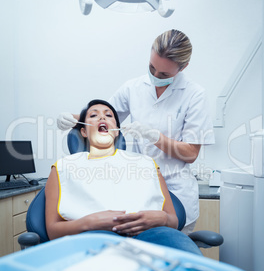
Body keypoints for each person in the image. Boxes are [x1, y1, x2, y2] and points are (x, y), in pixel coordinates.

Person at [57, 30, 215, 234]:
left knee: (168, 248)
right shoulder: (133, 88)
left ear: (183, 67)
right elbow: (104, 116)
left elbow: (191, 153)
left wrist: (154, 137)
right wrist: (74, 118)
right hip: (140, 188)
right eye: (152, 68)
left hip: (176, 190)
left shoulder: (195, 95)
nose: (156, 76)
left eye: (164, 74)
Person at [48, 99, 201, 255]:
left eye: (109, 115)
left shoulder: (146, 163)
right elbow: (53, 231)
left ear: (116, 130)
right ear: (84, 131)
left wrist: (163, 219)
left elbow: (173, 221)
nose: (102, 118)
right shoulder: (63, 167)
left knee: (190, 270)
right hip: (96, 235)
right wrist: (87, 223)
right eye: (94, 115)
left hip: (154, 233)